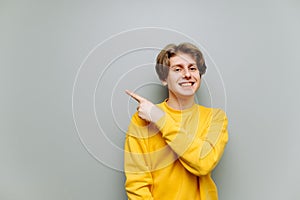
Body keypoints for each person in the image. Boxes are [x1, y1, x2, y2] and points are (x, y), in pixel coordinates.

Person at [124, 42, 228, 200]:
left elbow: (203, 163)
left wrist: (159, 118)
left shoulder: (215, 118)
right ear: (164, 79)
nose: (187, 74)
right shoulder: (141, 120)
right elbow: (137, 185)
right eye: (177, 69)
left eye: (192, 68)